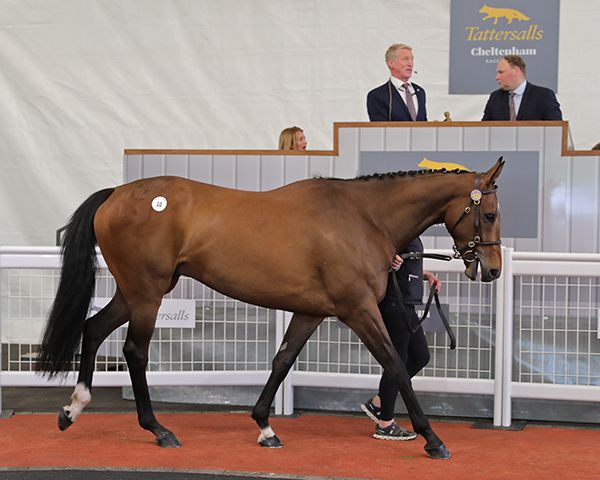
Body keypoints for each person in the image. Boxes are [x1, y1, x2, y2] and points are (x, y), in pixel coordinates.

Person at [361, 237, 441, 440]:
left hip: (407, 303)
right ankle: (385, 423)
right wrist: (388, 263)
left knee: (420, 356)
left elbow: (405, 264)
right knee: (398, 362)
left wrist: (425, 275)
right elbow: (375, 260)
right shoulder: (397, 230)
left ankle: (379, 403)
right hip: (395, 304)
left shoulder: (411, 232)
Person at [482, 55, 562, 121]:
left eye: (501, 72)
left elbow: (556, 129)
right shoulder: (495, 98)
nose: (497, 77)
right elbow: (484, 130)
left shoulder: (544, 96)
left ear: (517, 71)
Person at [367, 44, 427, 122]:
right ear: (391, 63)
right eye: (405, 59)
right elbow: (380, 130)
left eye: (412, 59)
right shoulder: (377, 95)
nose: (411, 64)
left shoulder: (420, 91)